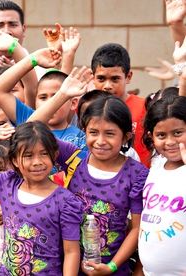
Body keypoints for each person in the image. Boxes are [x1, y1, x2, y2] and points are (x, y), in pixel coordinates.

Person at [27, 73, 149, 274]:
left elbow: (137, 229)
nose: (100, 141)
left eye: (110, 133)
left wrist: (111, 267)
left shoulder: (137, 174)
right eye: (93, 132)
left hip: (113, 270)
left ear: (126, 136)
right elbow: (31, 129)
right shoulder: (73, 159)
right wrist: (62, 95)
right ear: (84, 131)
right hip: (68, 267)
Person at [0, 121, 83, 275]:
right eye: (28, 155)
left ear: (55, 155)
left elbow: (71, 252)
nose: (37, 162)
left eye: (44, 153)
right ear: (15, 160)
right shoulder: (5, 183)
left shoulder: (65, 201)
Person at [138, 95, 186, 275]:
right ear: (151, 137)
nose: (170, 141)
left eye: (178, 133)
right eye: (161, 135)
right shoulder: (157, 163)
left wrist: (181, 77)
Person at [91, 43, 151, 167]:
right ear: (93, 78)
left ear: (128, 77)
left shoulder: (145, 107)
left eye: (115, 79)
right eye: (101, 79)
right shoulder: (88, 108)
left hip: (142, 180)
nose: (107, 86)